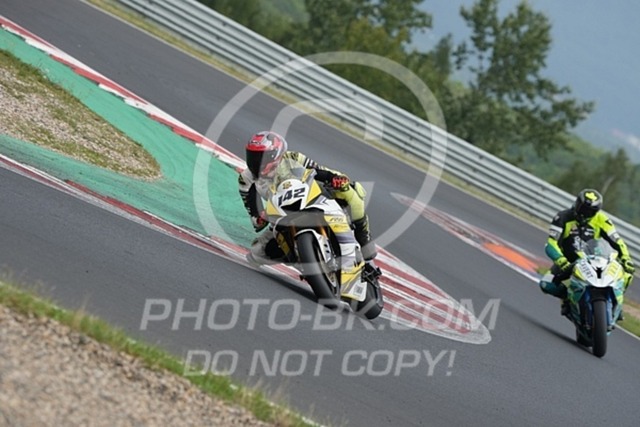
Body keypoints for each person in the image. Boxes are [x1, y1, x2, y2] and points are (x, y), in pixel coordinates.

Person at [238, 130, 380, 278]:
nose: (255, 162)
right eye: (252, 156)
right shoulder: (246, 179)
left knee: (350, 193)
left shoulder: (293, 158)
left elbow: (318, 171)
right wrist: (259, 217)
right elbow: (253, 213)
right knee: (257, 253)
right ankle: (303, 260)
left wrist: (335, 179)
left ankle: (365, 244)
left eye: (260, 157)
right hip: (282, 214)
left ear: (275, 154)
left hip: (312, 197)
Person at [539, 188, 635, 315]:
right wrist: (561, 260)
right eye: (583, 209)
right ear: (577, 204)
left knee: (627, 273)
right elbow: (551, 244)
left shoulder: (602, 220)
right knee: (546, 284)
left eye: (590, 211)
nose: (584, 214)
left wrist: (626, 258)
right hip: (568, 262)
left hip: (595, 259)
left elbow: (617, 241)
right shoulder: (562, 217)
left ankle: (617, 305)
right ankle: (569, 300)